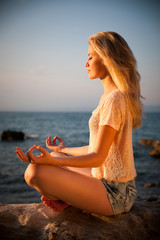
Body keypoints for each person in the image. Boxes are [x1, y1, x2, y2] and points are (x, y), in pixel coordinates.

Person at [16, 31, 143, 216]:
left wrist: (51, 161)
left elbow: (98, 157)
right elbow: (96, 148)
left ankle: (71, 199)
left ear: (107, 58)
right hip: (108, 181)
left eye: (90, 57)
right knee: (55, 158)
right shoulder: (110, 96)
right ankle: (72, 199)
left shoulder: (115, 99)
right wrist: (61, 152)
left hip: (116, 194)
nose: (86, 63)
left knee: (34, 173)